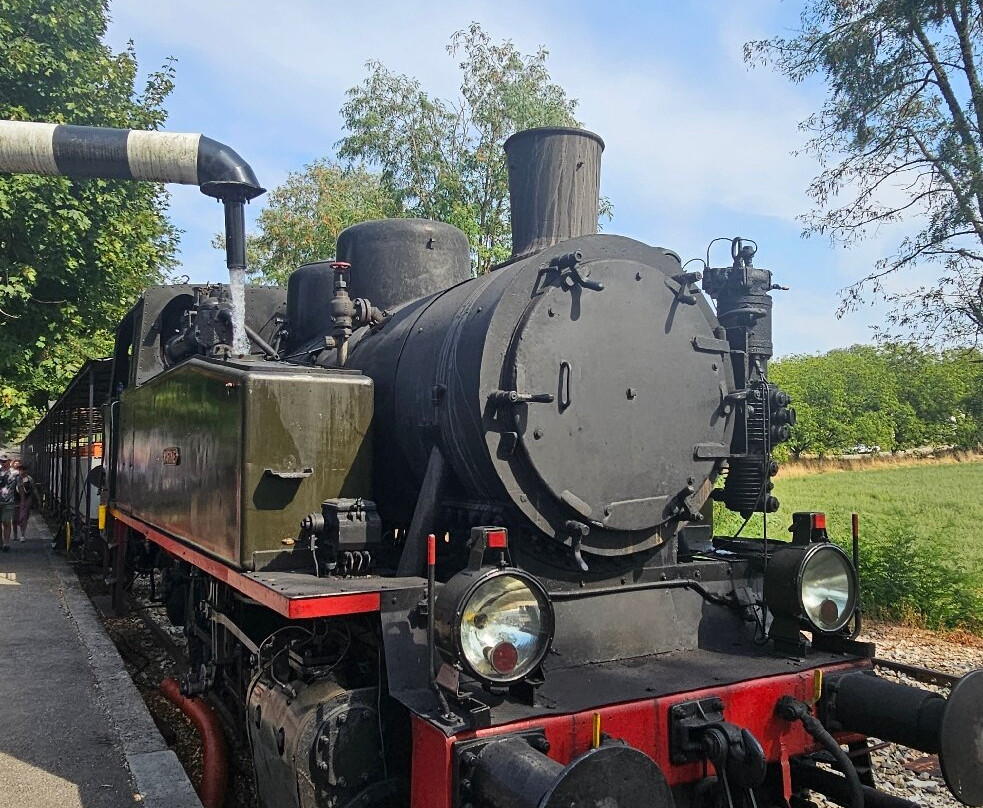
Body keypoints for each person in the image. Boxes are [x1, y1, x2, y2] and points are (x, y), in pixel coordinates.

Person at [0, 454, 18, 552]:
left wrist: (22, 500)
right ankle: (1, 542)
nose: (2, 463)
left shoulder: (15, 473)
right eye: (1, 461)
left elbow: (19, 486)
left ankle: (6, 543)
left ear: (9, 461)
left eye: (4, 461)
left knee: (7, 522)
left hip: (9, 501)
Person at [13, 461, 33, 542]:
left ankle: (22, 535)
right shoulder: (15, 478)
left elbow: (33, 490)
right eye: (21, 469)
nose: (22, 471)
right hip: (16, 499)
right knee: (14, 518)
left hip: (26, 499)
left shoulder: (29, 479)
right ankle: (15, 535)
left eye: (24, 469)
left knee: (24, 517)